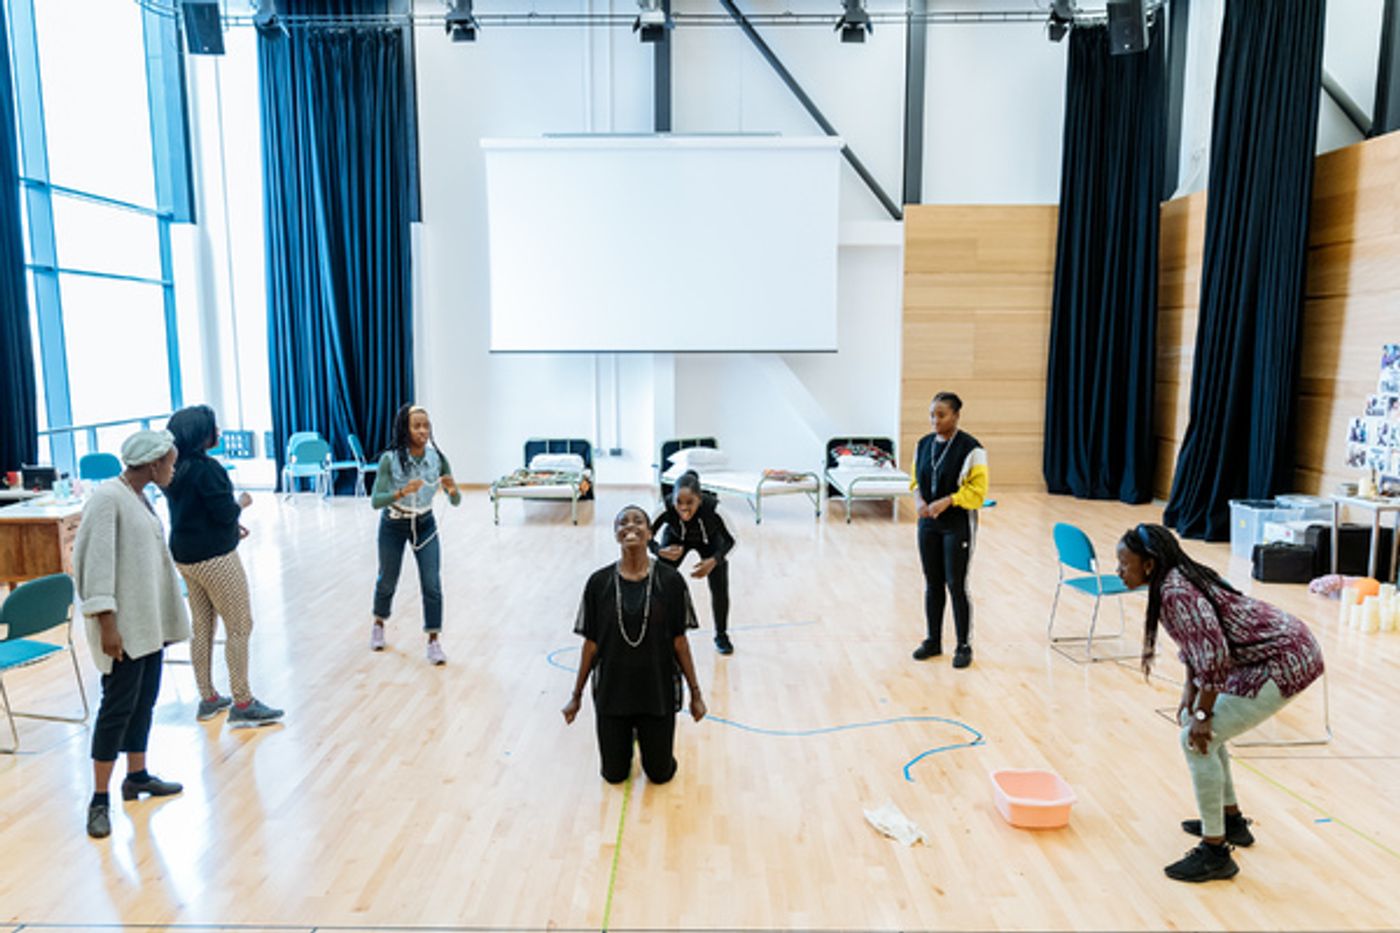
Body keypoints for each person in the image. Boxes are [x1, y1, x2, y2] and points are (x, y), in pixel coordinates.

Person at [1116, 523, 1325, 883]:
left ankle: (1216, 853)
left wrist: (1201, 712)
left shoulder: (1176, 591)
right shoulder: (1170, 580)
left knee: (1197, 739)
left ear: (1149, 564)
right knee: (1204, 733)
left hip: (1285, 659)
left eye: (1124, 564)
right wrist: (1189, 693)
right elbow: (1196, 645)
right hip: (1259, 655)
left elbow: (1212, 656)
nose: (1118, 571)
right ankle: (1230, 823)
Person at [72, 430, 191, 839]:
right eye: (171, 463)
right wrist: (107, 625)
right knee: (116, 709)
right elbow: (95, 565)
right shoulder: (108, 499)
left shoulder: (140, 496)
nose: (173, 470)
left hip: (147, 624)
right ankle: (99, 799)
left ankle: (136, 776)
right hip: (122, 629)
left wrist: (165, 621)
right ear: (154, 464)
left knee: (144, 702)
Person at [562, 505, 706, 784]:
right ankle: (627, 739)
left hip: (657, 693)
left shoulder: (670, 581)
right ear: (616, 534)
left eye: (638, 521)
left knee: (660, 774)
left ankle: (648, 739)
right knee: (614, 775)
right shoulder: (598, 583)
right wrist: (576, 696)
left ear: (650, 533)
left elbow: (680, 643)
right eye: (622, 523)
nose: (630, 526)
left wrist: (696, 694)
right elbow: (590, 645)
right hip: (613, 694)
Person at [164, 405, 283, 727]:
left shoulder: (173, 469)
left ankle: (209, 697)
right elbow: (224, 513)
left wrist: (230, 528)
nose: (218, 432)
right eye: (213, 427)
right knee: (240, 625)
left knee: (202, 626)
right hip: (215, 558)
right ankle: (243, 701)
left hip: (185, 555)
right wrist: (242, 503)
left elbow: (196, 514)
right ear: (202, 434)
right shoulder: (209, 469)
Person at [369, 404, 460, 664]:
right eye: (416, 426)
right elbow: (376, 501)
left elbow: (456, 502)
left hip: (425, 523)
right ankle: (378, 623)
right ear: (404, 430)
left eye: (426, 425)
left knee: (432, 583)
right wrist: (401, 492)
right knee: (387, 579)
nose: (422, 430)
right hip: (393, 523)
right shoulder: (389, 459)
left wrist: (453, 490)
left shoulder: (438, 459)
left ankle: (433, 641)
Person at [909, 391, 988, 668]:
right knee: (932, 583)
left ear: (956, 416)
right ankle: (933, 640)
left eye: (941, 415)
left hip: (957, 524)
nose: (935, 420)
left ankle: (963, 645)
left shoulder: (972, 449)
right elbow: (915, 479)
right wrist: (919, 499)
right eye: (932, 414)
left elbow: (978, 492)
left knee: (955, 583)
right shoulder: (923, 444)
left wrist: (949, 500)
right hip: (928, 524)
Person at [651, 470, 738, 654]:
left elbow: (733, 540)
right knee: (659, 581)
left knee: (719, 587)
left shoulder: (715, 509)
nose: (683, 508)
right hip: (676, 539)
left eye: (690, 502)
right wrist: (659, 550)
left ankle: (721, 635)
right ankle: (660, 633)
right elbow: (645, 533)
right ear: (672, 499)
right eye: (678, 502)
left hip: (710, 541)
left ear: (700, 498)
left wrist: (714, 560)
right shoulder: (665, 506)